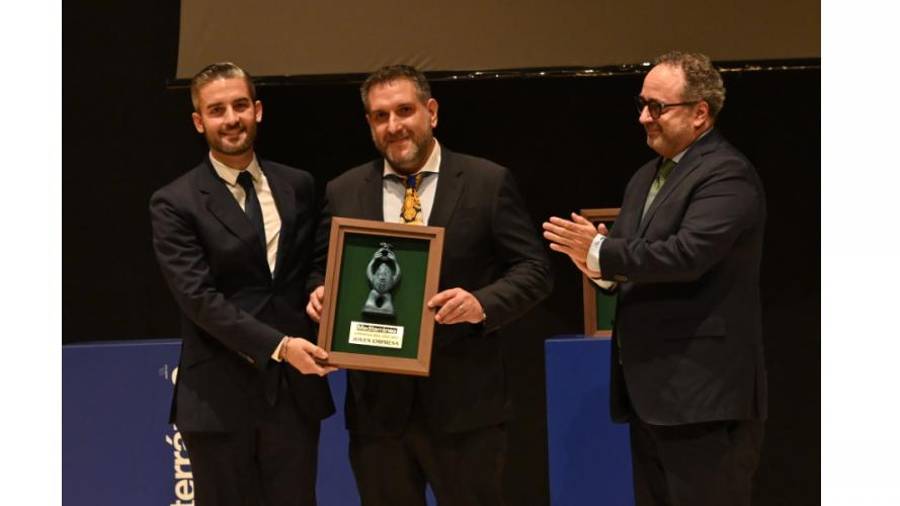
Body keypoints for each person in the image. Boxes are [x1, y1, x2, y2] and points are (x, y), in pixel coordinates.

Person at [306, 64, 552, 506]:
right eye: (380, 116)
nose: (394, 126)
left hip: (465, 409)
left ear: (431, 112)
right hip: (377, 414)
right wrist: (321, 294)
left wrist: (481, 303)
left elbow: (535, 270)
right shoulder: (343, 190)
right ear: (369, 124)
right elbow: (322, 269)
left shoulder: (486, 182)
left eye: (404, 111)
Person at [543, 51, 767, 506]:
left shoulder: (727, 174)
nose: (644, 117)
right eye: (642, 104)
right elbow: (629, 260)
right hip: (651, 395)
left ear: (700, 113)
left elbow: (687, 255)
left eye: (658, 107)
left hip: (703, 396)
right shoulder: (646, 176)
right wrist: (595, 267)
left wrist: (600, 251)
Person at [150, 62, 336, 506]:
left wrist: (319, 288)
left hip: (293, 396)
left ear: (258, 110)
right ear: (199, 121)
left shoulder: (298, 185)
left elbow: (312, 262)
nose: (231, 118)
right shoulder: (174, 202)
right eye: (217, 110)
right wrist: (281, 345)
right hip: (218, 398)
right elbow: (199, 299)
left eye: (239, 105)